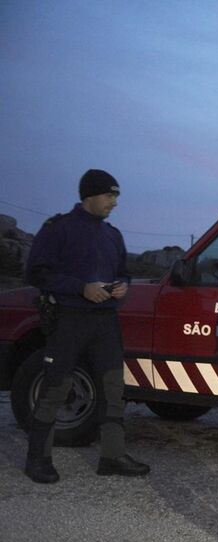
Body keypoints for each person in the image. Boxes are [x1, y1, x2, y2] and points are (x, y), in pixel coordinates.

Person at [23, 169, 150, 484]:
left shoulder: (113, 235)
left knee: (113, 389)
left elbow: (124, 272)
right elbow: (36, 274)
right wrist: (80, 288)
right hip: (69, 319)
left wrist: (122, 286)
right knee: (56, 388)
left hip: (105, 321)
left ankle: (112, 455)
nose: (114, 203)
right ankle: (37, 459)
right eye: (110, 195)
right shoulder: (58, 229)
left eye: (116, 196)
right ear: (90, 195)